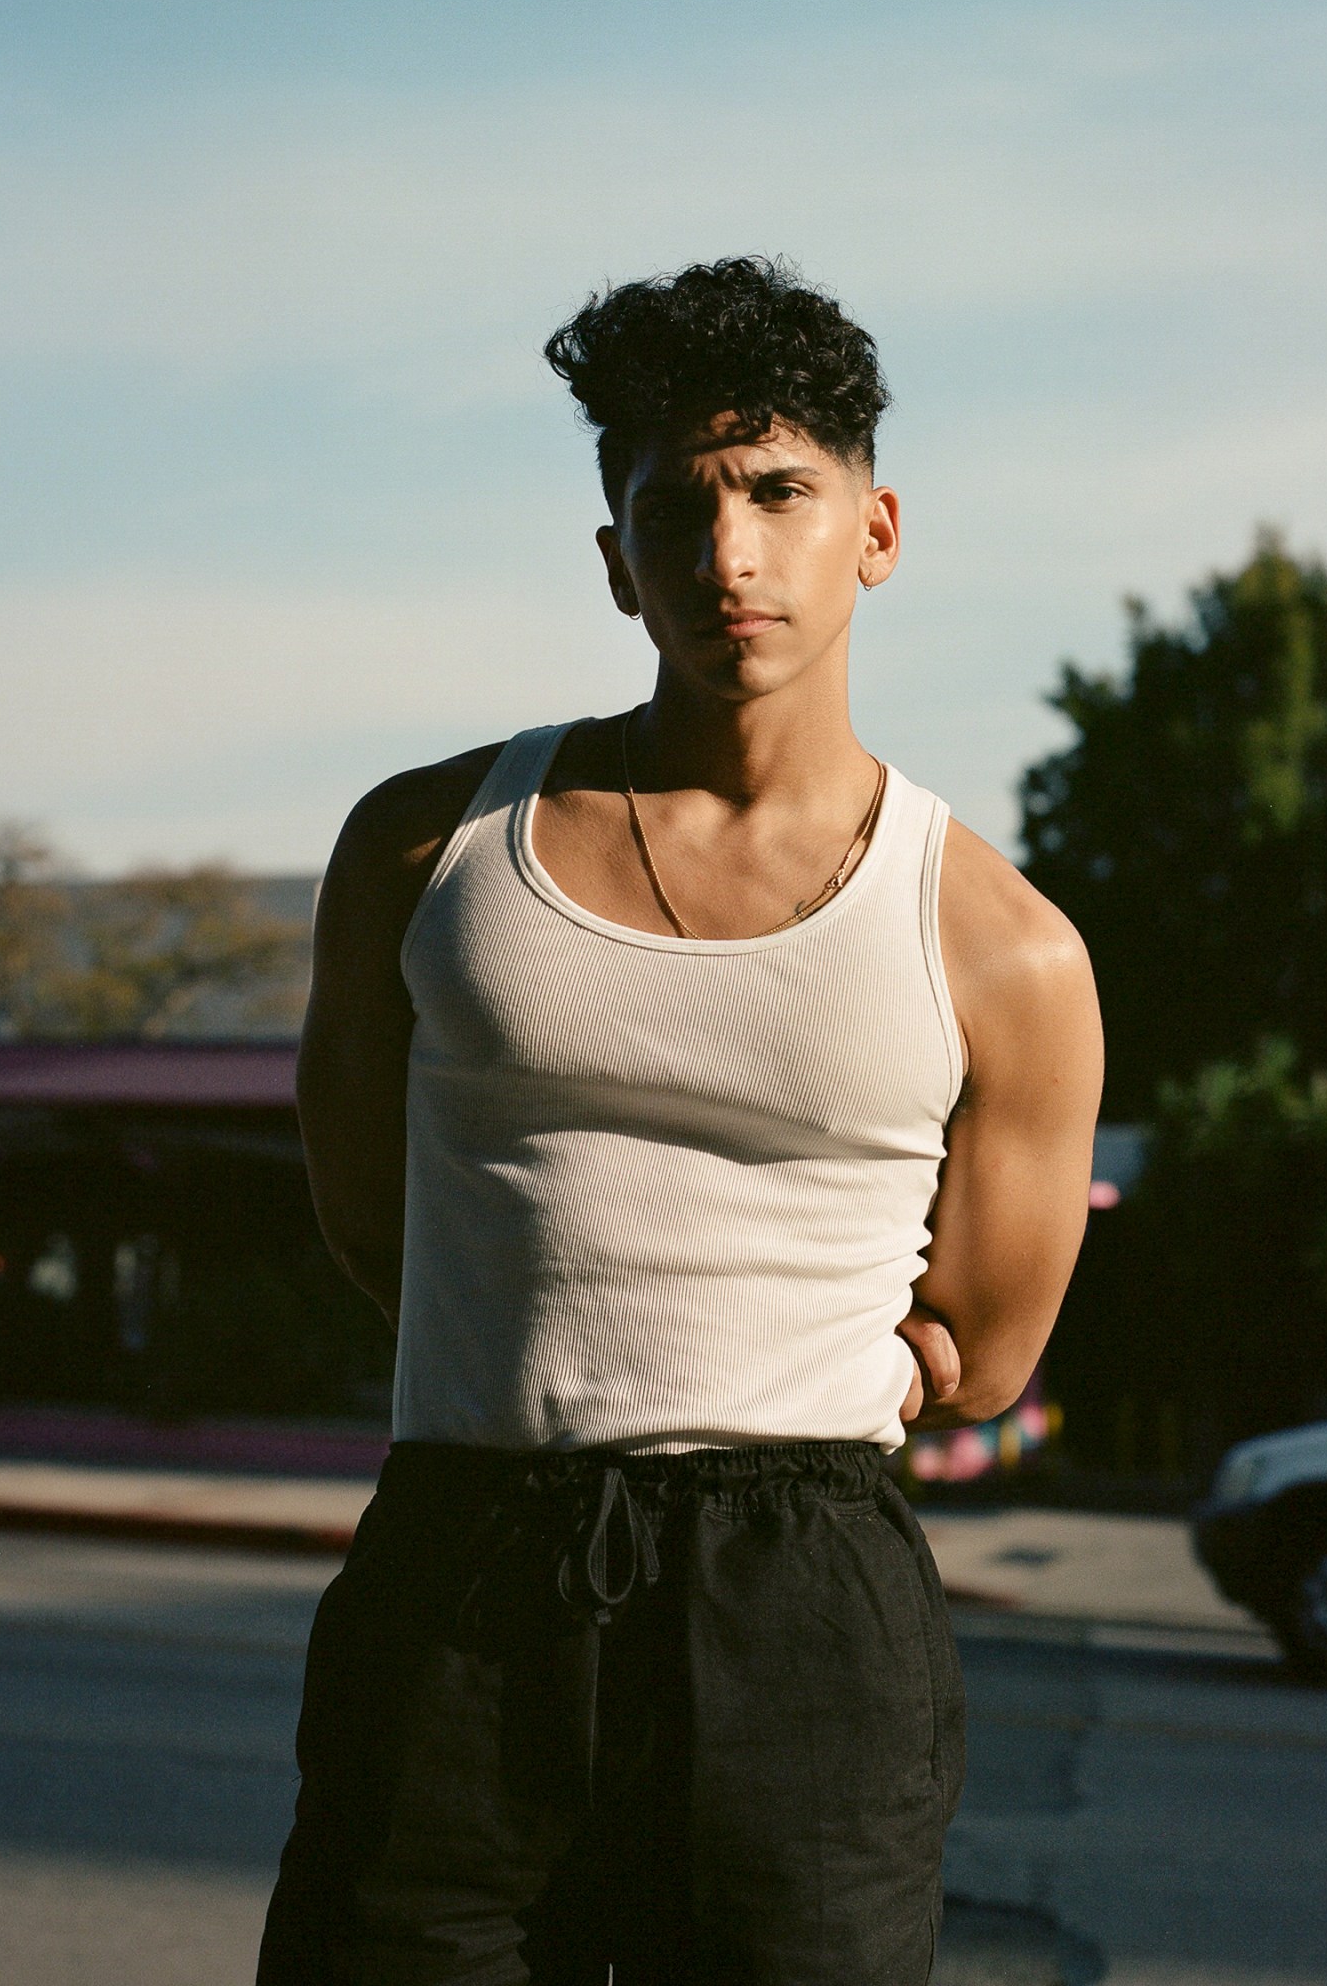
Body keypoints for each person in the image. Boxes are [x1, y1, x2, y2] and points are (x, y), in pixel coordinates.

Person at [258, 256, 1103, 1985]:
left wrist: (737, 1392)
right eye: (677, 505)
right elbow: (372, 1223)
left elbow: (988, 1352)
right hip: (461, 1574)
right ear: (615, 556)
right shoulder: (428, 850)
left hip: (800, 1611)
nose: (729, 554)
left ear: (874, 528)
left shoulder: (1003, 946)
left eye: (779, 491)